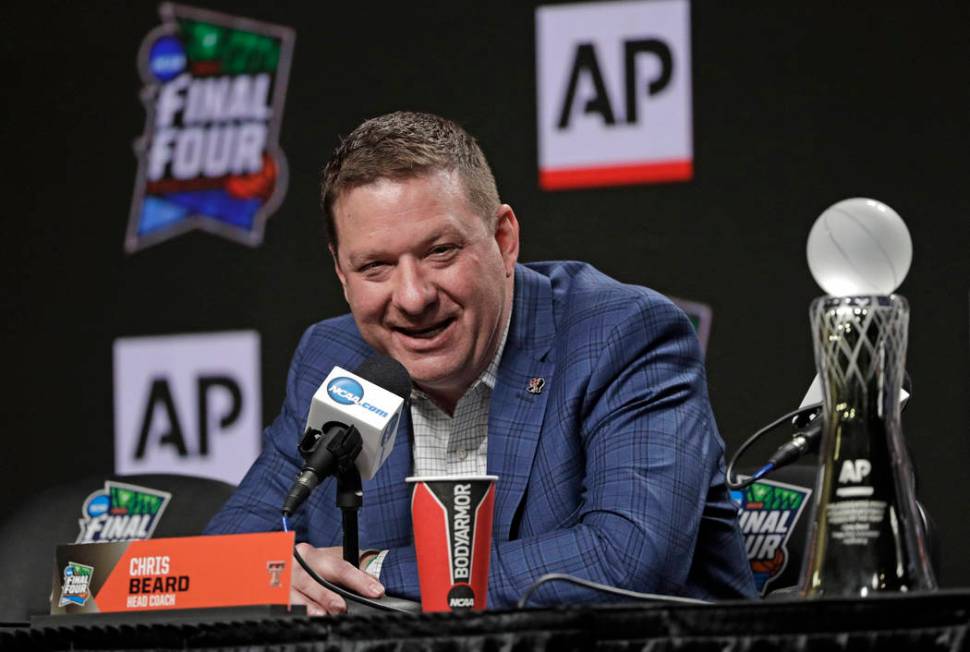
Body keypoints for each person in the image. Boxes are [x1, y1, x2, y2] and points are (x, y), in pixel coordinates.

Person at [205, 111, 756, 613]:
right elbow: (222, 561)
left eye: (440, 251)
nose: (414, 296)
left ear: (503, 239)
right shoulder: (335, 360)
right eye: (375, 266)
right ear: (341, 274)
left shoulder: (622, 335)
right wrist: (275, 575)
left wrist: (367, 571)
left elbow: (626, 560)